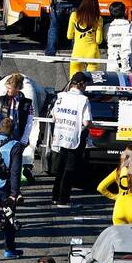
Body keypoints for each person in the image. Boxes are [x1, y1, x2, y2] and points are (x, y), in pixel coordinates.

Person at [50, 71, 91, 206]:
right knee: (70, 168)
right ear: (82, 85)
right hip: (75, 137)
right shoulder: (83, 100)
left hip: (61, 135)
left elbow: (54, 116)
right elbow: (86, 122)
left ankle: (55, 196)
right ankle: (63, 199)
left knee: (60, 166)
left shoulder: (61, 96)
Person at [97, 146, 132, 224]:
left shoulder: (118, 171)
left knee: (119, 236)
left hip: (119, 208)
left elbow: (100, 187)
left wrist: (114, 196)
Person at [67, 0, 104, 76]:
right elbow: (99, 40)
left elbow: (69, 36)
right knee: (92, 79)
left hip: (77, 51)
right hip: (92, 52)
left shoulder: (74, 15)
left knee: (74, 78)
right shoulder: (98, 18)